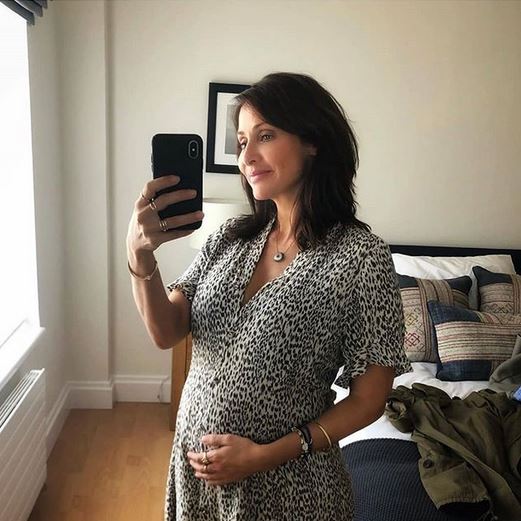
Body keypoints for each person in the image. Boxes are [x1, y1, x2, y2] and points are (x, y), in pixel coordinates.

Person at [127, 72, 412, 521]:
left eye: (265, 136)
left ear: (312, 140)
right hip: (197, 479)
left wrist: (264, 455)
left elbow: (369, 400)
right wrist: (139, 255)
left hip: (290, 489)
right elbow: (166, 332)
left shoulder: (361, 256)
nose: (246, 157)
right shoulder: (229, 238)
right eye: (242, 142)